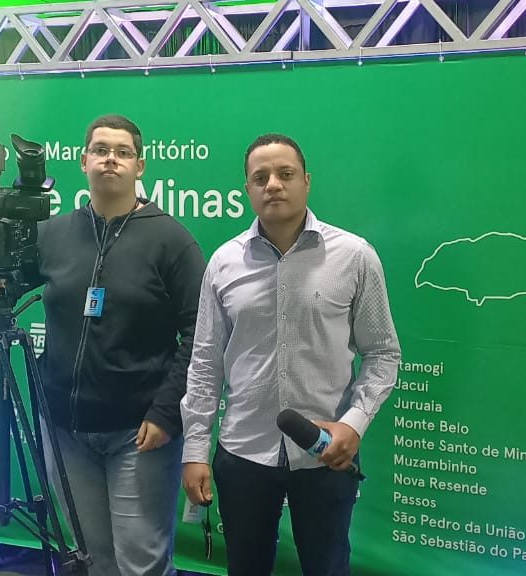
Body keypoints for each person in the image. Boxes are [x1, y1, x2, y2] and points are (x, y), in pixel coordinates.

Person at [0, 114, 206, 576]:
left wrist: (166, 412)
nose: (110, 159)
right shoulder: (54, 234)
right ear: (84, 161)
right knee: (94, 560)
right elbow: (3, 290)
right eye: (101, 150)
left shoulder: (171, 240)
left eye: (123, 152)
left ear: (139, 166)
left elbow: (200, 335)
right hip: (64, 429)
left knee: (141, 564)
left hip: (138, 432)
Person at [181, 133, 400, 576]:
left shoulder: (354, 256)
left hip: (326, 453)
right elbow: (205, 364)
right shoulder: (224, 263)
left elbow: (383, 354)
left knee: (327, 567)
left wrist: (354, 424)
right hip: (243, 453)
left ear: (306, 181)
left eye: (285, 174)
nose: (273, 185)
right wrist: (195, 451)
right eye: (260, 177)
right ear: (247, 189)